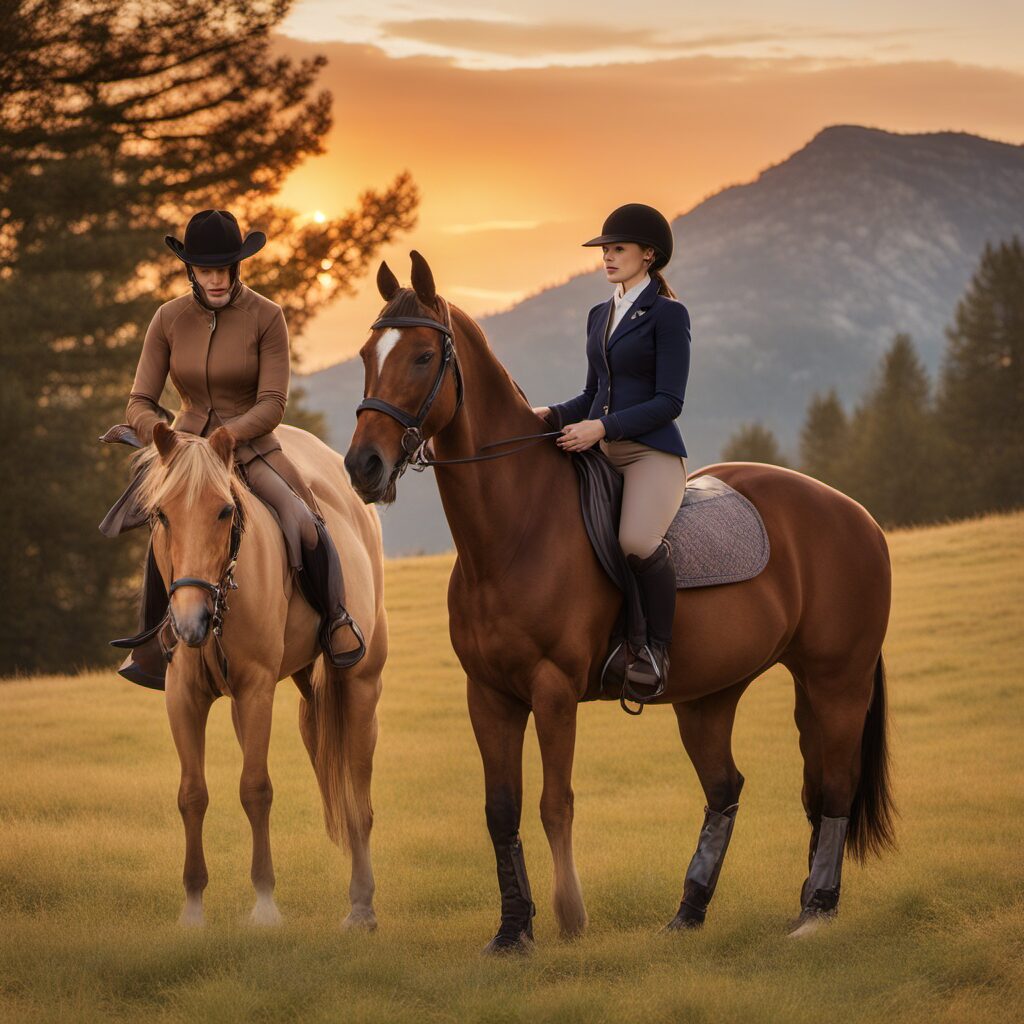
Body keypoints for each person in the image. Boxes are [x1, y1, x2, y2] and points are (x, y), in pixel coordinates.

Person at [102, 209, 361, 684]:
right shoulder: (167, 319)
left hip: (252, 449)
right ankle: (152, 643)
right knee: (160, 526)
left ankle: (336, 621)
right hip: (185, 454)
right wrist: (165, 438)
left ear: (237, 265)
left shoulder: (267, 316)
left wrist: (229, 436)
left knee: (304, 521)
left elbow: (273, 403)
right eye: (206, 270)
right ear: (191, 270)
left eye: (224, 268)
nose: (217, 279)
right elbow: (138, 401)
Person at [533, 203, 690, 703]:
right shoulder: (599, 314)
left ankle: (656, 650)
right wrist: (546, 415)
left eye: (618, 248)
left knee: (636, 542)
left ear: (649, 255)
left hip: (650, 455)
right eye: (605, 249)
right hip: (600, 449)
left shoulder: (668, 315)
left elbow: (669, 402)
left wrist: (601, 427)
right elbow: (592, 393)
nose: (607, 256)